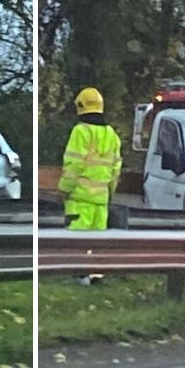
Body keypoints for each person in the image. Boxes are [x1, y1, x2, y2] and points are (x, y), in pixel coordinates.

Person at [58, 87, 122, 285]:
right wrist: (110, 192)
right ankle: (96, 278)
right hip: (101, 199)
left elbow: (73, 163)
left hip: (79, 197)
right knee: (98, 241)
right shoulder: (111, 134)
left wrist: (64, 188)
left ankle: (79, 277)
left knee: (77, 239)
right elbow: (115, 168)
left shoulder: (81, 131)